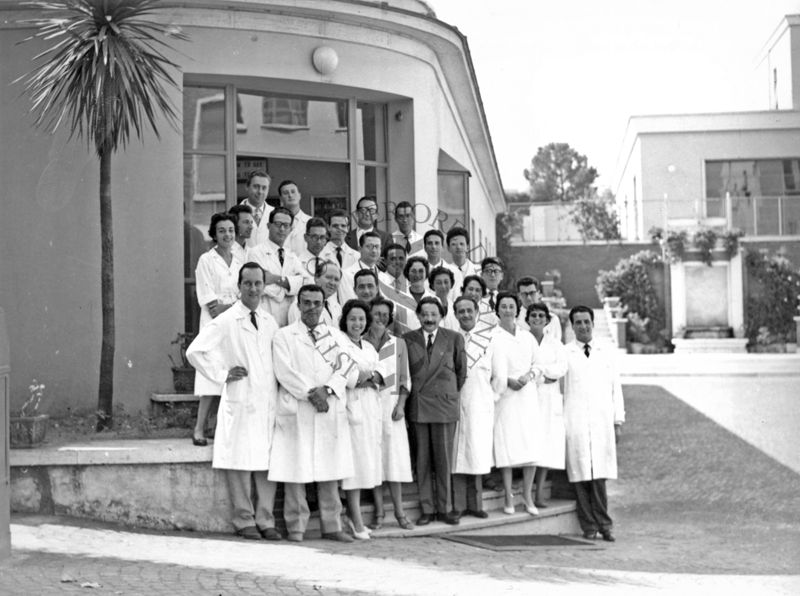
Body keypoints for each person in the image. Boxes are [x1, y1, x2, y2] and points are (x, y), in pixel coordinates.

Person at [186, 262, 281, 541]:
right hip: (240, 399)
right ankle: (244, 519)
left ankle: (266, 519)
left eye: (258, 283)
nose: (253, 289)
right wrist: (222, 374)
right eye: (248, 283)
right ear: (239, 287)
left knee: (265, 462)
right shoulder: (227, 320)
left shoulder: (269, 322)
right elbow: (195, 351)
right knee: (239, 461)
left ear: (264, 287)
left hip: (266, 401)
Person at [270, 285, 359, 543]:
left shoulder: (334, 336)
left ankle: (332, 525)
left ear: (323, 305)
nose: (312, 308)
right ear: (298, 305)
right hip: (299, 408)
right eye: (306, 303)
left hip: (327, 408)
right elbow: (284, 372)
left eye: (317, 303)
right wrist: (312, 393)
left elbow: (347, 368)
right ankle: (296, 527)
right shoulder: (284, 336)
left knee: (330, 468)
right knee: (296, 469)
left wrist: (328, 389)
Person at [404, 296, 467, 526]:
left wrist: (448, 393)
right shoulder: (407, 339)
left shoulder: (454, 338)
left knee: (443, 460)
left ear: (441, 316)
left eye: (434, 314)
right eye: (425, 314)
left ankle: (445, 508)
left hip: (444, 405)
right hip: (419, 405)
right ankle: (427, 509)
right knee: (422, 461)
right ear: (418, 316)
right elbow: (405, 373)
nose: (429, 319)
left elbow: (461, 373)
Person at [564, 306, 625, 542]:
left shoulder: (606, 352)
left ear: (593, 323)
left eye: (586, 321)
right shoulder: (565, 353)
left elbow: (615, 388)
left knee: (599, 475)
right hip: (576, 420)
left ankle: (604, 524)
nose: (583, 326)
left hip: (601, 420)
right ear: (572, 326)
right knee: (580, 475)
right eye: (578, 322)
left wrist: (617, 420)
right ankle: (588, 525)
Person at [192, 212, 243, 446]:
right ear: (214, 233)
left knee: (232, 374)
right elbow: (213, 307)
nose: (227, 235)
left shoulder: (240, 259)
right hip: (214, 325)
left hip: (235, 325)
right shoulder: (206, 260)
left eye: (231, 230)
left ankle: (221, 429)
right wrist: (237, 305)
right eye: (222, 230)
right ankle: (199, 429)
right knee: (211, 377)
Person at [451, 296, 503, 519]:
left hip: (481, 405)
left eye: (469, 311)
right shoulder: (450, 339)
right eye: (460, 311)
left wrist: (490, 399)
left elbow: (499, 376)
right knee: (456, 457)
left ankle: (476, 504)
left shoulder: (489, 339)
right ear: (455, 315)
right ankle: (458, 505)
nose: (465, 315)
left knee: (477, 455)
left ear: (477, 312)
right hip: (454, 404)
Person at [364, 297, 414, 531]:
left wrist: (401, 405)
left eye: (385, 314)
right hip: (367, 407)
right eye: (376, 313)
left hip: (392, 406)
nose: (380, 318)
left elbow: (405, 379)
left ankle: (400, 512)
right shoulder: (360, 343)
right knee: (374, 462)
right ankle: (379, 513)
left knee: (394, 462)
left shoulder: (398, 344)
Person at [492, 292, 543, 516]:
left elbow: (539, 364)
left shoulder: (527, 337)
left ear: (517, 309)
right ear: (497, 310)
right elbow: (491, 369)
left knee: (530, 444)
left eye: (511, 306)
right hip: (505, 397)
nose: (507, 310)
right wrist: (506, 381)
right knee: (507, 446)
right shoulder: (492, 337)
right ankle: (508, 496)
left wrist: (529, 376)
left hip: (527, 396)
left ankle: (527, 496)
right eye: (503, 306)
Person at [339, 299, 385, 540]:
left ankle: (354, 517)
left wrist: (367, 376)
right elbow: (349, 378)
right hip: (351, 407)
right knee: (353, 467)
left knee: (365, 463)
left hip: (369, 408)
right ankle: (354, 518)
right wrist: (365, 377)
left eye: (361, 319)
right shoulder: (340, 344)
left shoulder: (368, 347)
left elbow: (380, 374)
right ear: (345, 320)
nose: (357, 323)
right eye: (352, 318)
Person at [525, 302, 567, 508]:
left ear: (547, 320)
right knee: (528, 444)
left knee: (545, 446)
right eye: (533, 315)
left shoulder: (555, 344)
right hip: (527, 397)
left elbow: (561, 368)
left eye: (541, 316)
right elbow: (522, 368)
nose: (537, 319)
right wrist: (543, 374)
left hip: (548, 400)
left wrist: (540, 372)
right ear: (527, 318)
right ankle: (525, 494)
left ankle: (539, 493)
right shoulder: (523, 341)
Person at [244, 207, 305, 327]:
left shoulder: (291, 255)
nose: (282, 229)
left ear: (291, 229)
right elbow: (259, 286)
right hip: (265, 315)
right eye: (278, 224)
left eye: (286, 225)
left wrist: (275, 279)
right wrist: (290, 286)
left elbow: (305, 282)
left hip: (289, 318)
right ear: (268, 225)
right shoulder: (255, 253)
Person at [287, 260, 342, 326]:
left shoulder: (337, 307)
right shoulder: (301, 305)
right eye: (328, 277)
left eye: (336, 279)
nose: (332, 283)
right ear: (316, 278)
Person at [340, 231, 382, 302]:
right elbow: (348, 302)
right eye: (369, 246)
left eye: (377, 247)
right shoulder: (346, 275)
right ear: (360, 249)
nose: (374, 251)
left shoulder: (384, 276)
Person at [516, 276, 562, 341]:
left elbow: (557, 346)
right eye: (524, 294)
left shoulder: (553, 319)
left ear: (539, 293)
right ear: (519, 296)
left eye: (532, 293)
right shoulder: (514, 320)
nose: (529, 298)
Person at [239, 170, 273, 248]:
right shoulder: (235, 213)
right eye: (256, 187)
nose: (260, 191)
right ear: (247, 187)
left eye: (264, 188)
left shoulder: (274, 213)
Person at [278, 180, 312, 255]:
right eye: (286, 193)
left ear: (299, 195)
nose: (290, 195)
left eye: (293, 192)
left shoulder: (310, 221)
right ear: (280, 198)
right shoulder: (275, 222)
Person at [295, 217, 329, 285]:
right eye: (314, 237)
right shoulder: (297, 263)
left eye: (322, 237)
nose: (318, 242)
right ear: (306, 237)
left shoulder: (330, 262)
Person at [446, 227, 479, 293]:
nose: (458, 247)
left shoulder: (478, 271)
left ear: (467, 247)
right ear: (448, 248)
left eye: (461, 244)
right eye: (454, 244)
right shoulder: (445, 271)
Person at [428, 266, 458, 331]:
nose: (443, 286)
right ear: (433, 285)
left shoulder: (455, 307)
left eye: (446, 282)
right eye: (439, 283)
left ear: (451, 284)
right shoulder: (426, 306)